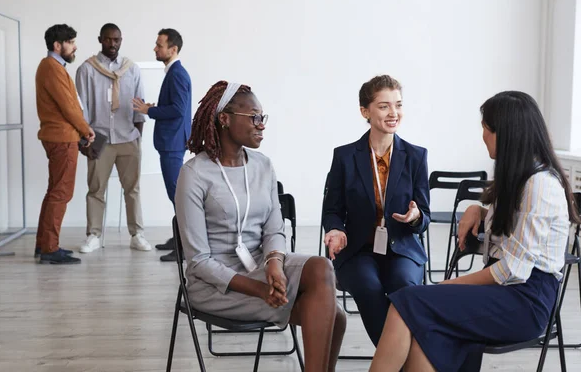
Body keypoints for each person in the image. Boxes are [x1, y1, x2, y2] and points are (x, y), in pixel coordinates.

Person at [369, 91, 580, 372]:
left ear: (505, 134)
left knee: (408, 302)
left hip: (525, 301)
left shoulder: (539, 185)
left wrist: (445, 286)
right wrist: (477, 210)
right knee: (424, 328)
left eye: (486, 129)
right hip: (505, 292)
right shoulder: (518, 179)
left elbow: (510, 271)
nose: (482, 136)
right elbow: (509, 235)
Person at [177, 81, 346, 371]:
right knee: (336, 316)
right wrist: (257, 288)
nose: (261, 125)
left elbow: (274, 228)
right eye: (254, 117)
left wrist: (274, 264)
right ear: (224, 119)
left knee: (321, 268)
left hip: (260, 265)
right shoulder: (194, 174)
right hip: (216, 284)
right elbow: (198, 262)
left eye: (262, 118)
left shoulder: (263, 166)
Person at [322, 75, 430, 345]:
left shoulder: (416, 156)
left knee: (404, 285)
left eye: (398, 105)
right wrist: (335, 229)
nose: (393, 113)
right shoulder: (345, 157)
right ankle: (402, 362)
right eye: (383, 106)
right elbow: (332, 210)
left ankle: (397, 361)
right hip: (358, 250)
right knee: (368, 287)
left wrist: (416, 218)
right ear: (365, 112)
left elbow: (424, 215)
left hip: (402, 248)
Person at [75, 23, 150, 253]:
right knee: (96, 189)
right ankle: (94, 235)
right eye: (108, 39)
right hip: (99, 138)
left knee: (132, 189)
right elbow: (80, 108)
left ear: (121, 40)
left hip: (127, 137)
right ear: (100, 39)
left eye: (116, 40)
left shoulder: (132, 69)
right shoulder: (87, 69)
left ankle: (137, 234)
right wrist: (85, 140)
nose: (113, 44)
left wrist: (137, 136)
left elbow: (140, 105)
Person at [35, 24, 95, 264]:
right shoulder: (51, 67)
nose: (75, 46)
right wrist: (86, 129)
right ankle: (49, 248)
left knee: (54, 192)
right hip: (62, 138)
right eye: (71, 42)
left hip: (60, 136)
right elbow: (68, 106)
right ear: (57, 45)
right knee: (61, 193)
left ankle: (44, 245)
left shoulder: (52, 67)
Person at [133, 28, 190, 262]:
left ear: (173, 49)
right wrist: (155, 108)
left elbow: (178, 109)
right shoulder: (174, 72)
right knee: (176, 194)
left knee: (178, 196)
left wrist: (150, 110)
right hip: (172, 141)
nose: (155, 48)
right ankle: (179, 239)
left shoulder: (177, 73)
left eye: (159, 45)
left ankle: (184, 247)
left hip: (173, 142)